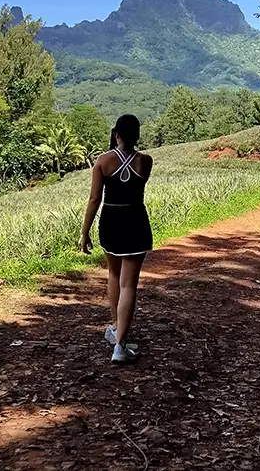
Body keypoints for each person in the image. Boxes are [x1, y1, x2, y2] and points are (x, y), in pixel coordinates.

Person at [79, 114, 153, 363]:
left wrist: (84, 231)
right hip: (136, 221)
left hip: (111, 221)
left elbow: (94, 199)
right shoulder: (146, 162)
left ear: (116, 134)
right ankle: (120, 343)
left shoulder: (102, 161)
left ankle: (115, 329)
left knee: (113, 275)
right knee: (129, 284)